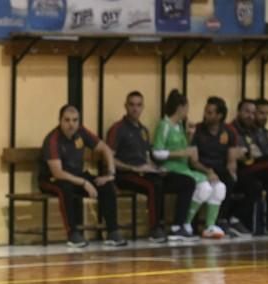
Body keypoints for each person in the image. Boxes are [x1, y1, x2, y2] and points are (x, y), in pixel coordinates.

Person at [107, 91, 195, 243]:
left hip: (146, 172)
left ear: (143, 107)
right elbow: (109, 158)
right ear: (126, 106)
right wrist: (134, 168)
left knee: (187, 182)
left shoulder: (144, 130)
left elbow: (147, 157)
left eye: (139, 105)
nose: (135, 109)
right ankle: (155, 229)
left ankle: (178, 226)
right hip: (126, 174)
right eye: (132, 105)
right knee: (154, 184)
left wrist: (156, 168)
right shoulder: (118, 128)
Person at [40, 104, 127, 248]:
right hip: (51, 180)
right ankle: (72, 234)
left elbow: (105, 149)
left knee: (105, 185)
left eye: (75, 120)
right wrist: (84, 183)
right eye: (67, 120)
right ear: (60, 121)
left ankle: (113, 232)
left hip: (77, 176)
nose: (71, 124)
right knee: (65, 189)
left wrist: (111, 174)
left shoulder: (81, 132)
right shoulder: (52, 139)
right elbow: (58, 172)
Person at [152, 89, 226, 240]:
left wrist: (189, 137)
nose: (188, 111)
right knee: (203, 186)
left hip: (183, 168)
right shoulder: (164, 125)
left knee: (218, 186)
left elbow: (185, 149)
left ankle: (208, 226)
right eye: (187, 107)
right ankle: (182, 225)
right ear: (180, 108)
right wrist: (181, 153)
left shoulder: (179, 125)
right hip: (171, 169)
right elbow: (157, 152)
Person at [191, 96, 251, 237]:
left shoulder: (228, 131)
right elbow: (192, 160)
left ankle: (221, 220)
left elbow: (231, 158)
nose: (205, 115)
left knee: (230, 181)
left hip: (220, 168)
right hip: (201, 167)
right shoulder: (198, 130)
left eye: (210, 112)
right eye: (206, 111)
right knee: (205, 185)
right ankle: (193, 225)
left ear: (219, 116)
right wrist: (208, 171)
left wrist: (232, 172)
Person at [229, 99, 268, 233]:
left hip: (255, 170)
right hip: (239, 170)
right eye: (247, 112)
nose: (250, 115)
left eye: (252, 112)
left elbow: (257, 153)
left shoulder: (253, 131)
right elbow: (245, 155)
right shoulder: (231, 130)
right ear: (239, 112)